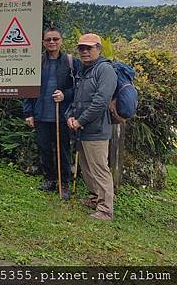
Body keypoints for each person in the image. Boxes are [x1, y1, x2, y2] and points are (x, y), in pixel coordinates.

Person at [67, 33, 117, 221]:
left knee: (99, 168)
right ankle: (94, 198)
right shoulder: (84, 70)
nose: (85, 51)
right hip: (82, 128)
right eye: (82, 48)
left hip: (96, 130)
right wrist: (71, 116)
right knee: (86, 166)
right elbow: (77, 99)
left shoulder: (105, 70)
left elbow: (100, 102)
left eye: (89, 47)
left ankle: (106, 210)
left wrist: (80, 121)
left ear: (99, 48)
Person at [24, 27, 78, 200]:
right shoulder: (36, 62)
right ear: (43, 42)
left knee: (63, 150)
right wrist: (29, 113)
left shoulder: (71, 62)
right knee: (45, 149)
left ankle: (64, 183)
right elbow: (28, 89)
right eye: (48, 39)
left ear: (61, 41)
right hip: (41, 114)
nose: (52, 42)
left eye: (55, 39)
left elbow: (79, 87)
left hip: (62, 115)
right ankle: (49, 179)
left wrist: (65, 95)